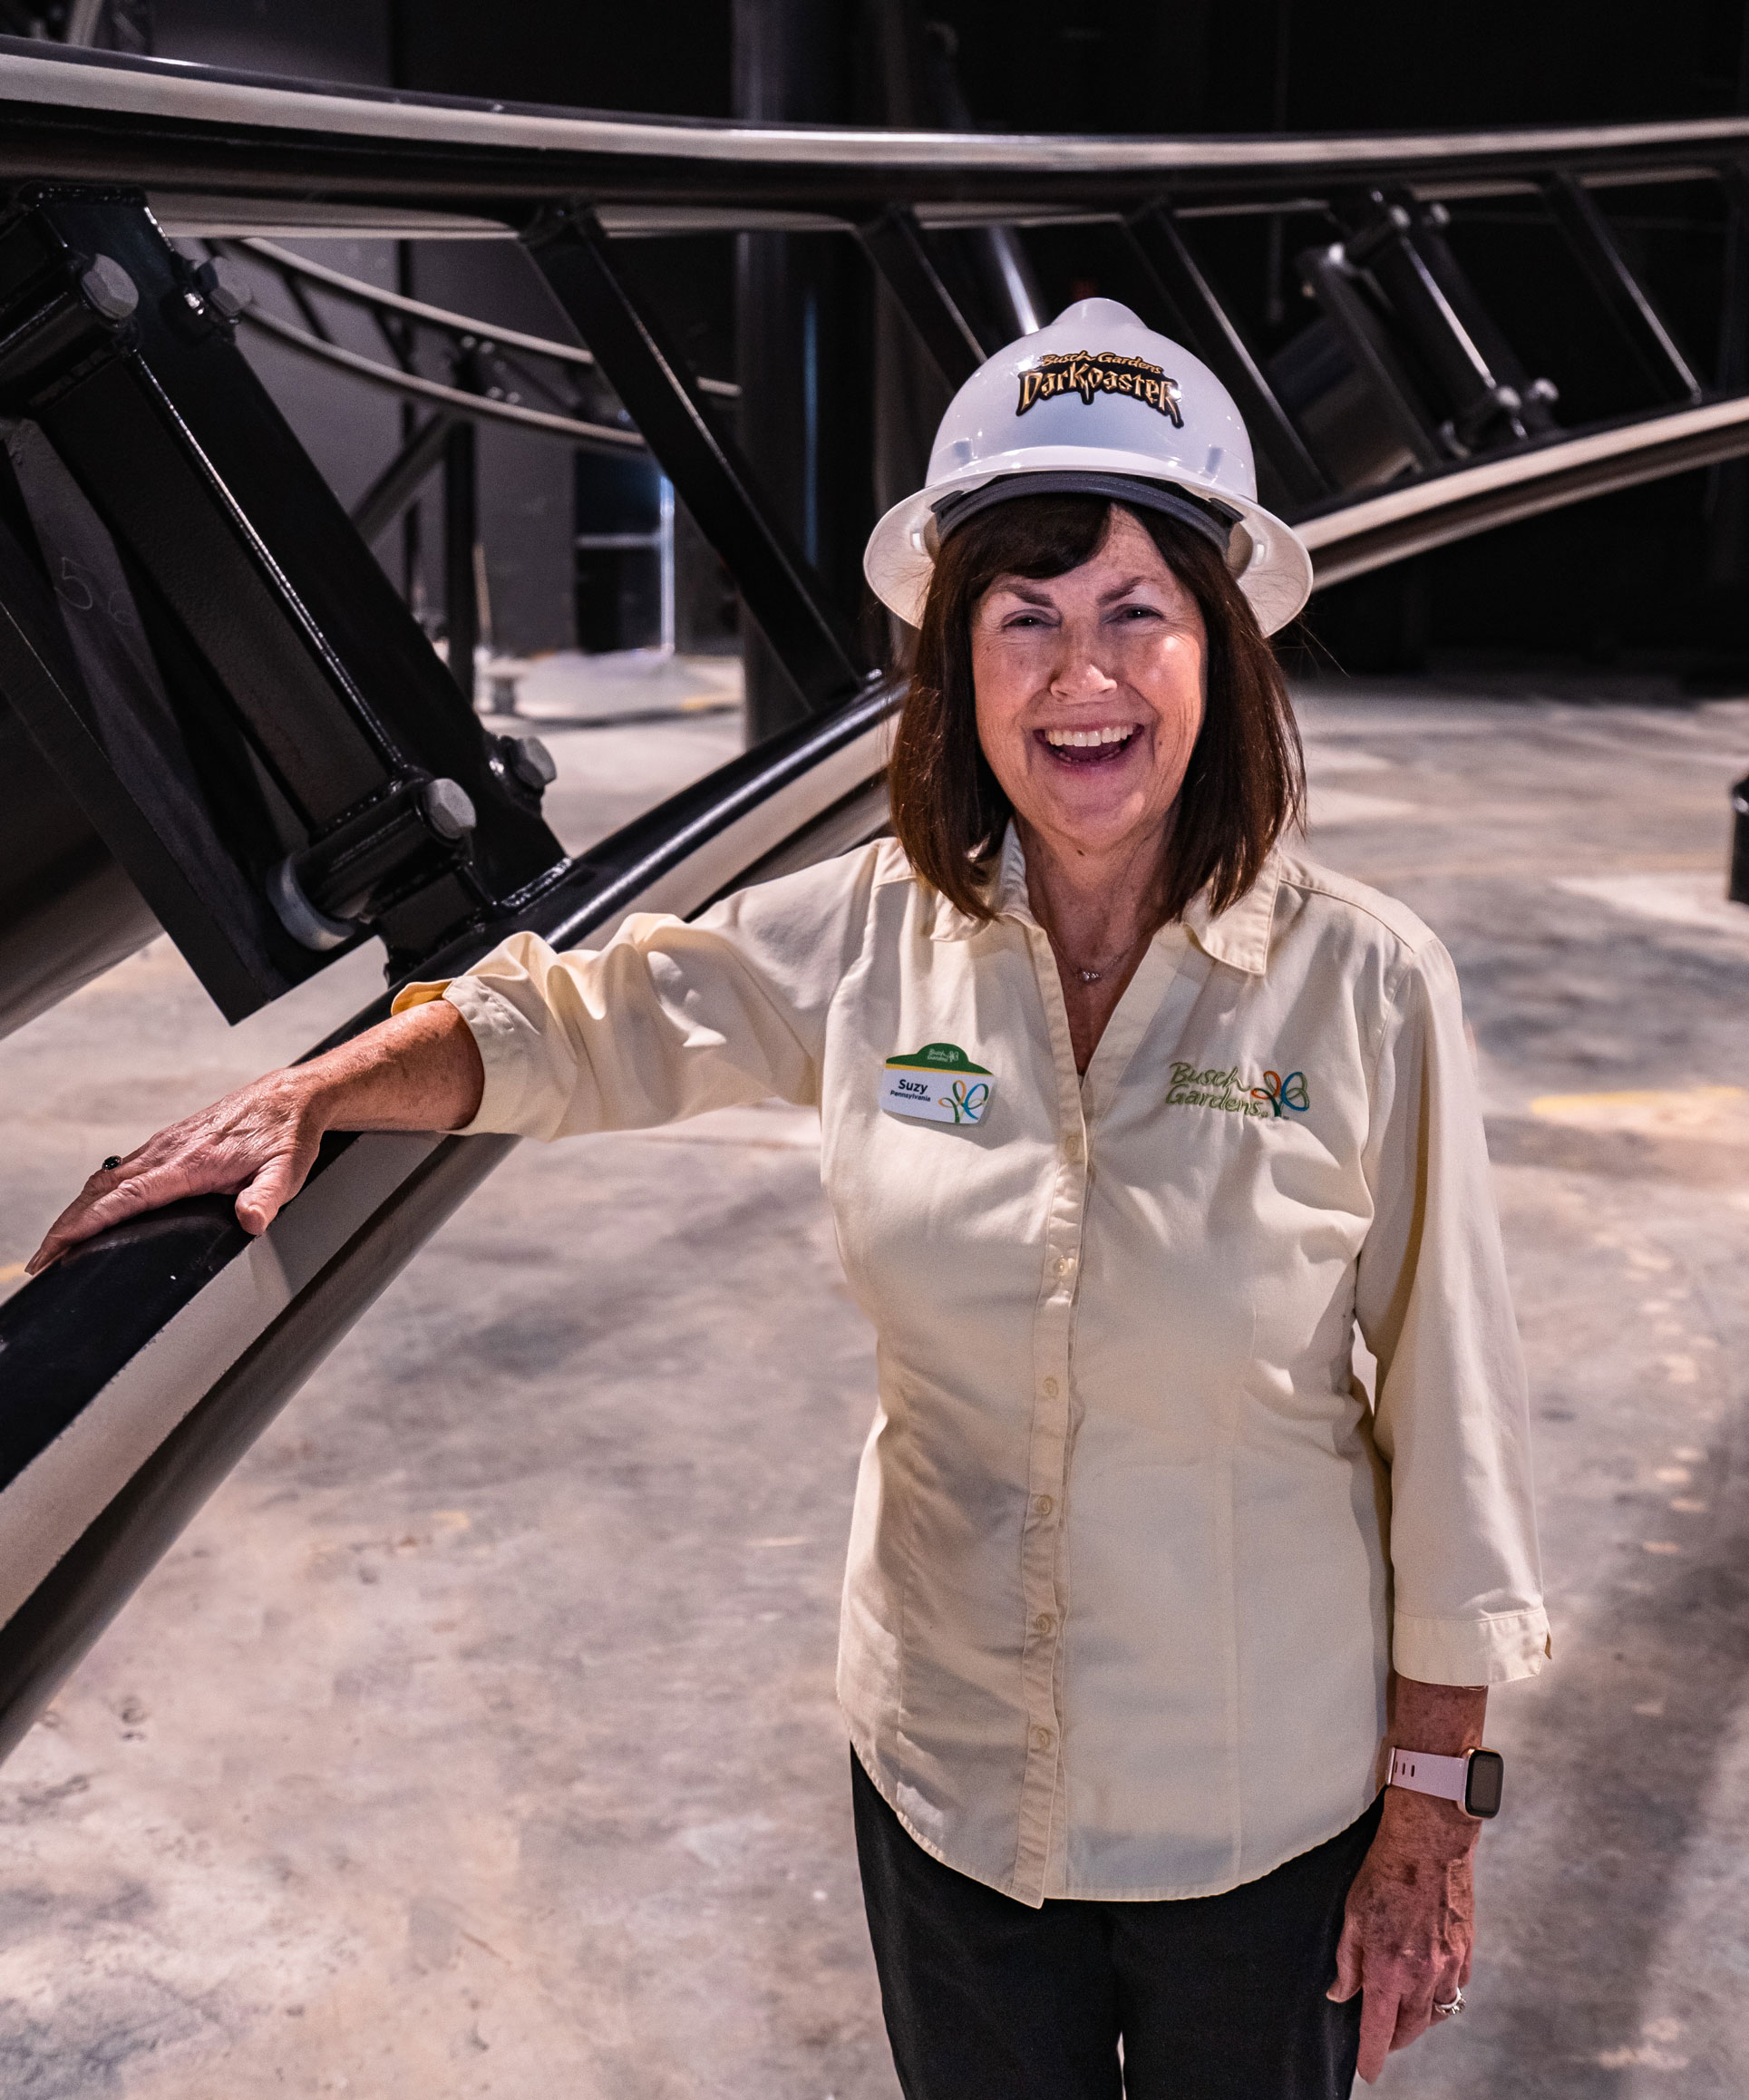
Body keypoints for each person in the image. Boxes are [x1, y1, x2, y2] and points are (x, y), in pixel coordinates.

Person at [31, 299, 1549, 2099]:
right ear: (957, 665)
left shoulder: (1360, 987)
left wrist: (1431, 1809)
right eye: (1025, 618)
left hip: (1261, 1820)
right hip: (950, 1795)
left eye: (1137, 614)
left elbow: (1451, 1433)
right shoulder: (868, 937)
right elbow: (581, 1021)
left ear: (1217, 653)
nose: (1084, 675)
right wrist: (313, 1090)